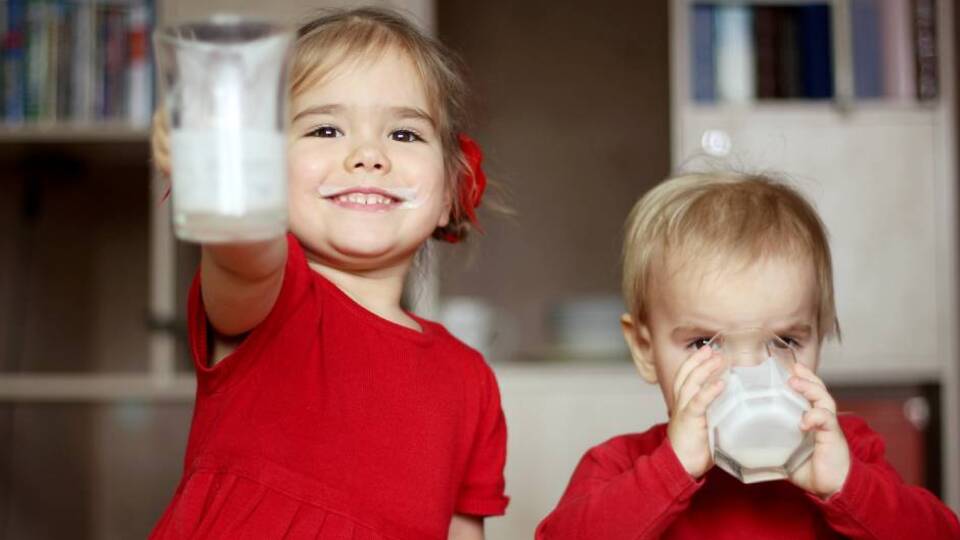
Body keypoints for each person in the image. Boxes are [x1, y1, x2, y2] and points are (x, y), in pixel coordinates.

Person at [149, 8, 508, 539]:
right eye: (325, 129)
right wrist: (222, 176)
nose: (368, 155)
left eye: (404, 134)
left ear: (452, 192)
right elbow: (243, 251)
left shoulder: (470, 380)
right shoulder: (272, 298)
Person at [536, 172, 960, 539]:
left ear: (821, 337)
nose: (751, 374)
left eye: (786, 341)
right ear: (645, 350)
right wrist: (670, 471)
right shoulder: (620, 466)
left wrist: (847, 486)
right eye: (704, 343)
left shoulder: (848, 454)